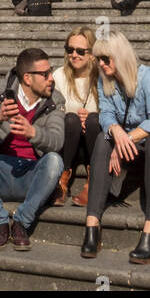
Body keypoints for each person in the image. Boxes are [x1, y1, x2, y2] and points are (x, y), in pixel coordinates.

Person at [81, 31, 150, 263]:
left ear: (119, 56)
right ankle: (92, 226)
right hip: (140, 150)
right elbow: (106, 115)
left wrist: (125, 139)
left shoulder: (146, 76)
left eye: (106, 59)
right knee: (104, 137)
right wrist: (116, 131)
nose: (101, 64)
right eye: (98, 59)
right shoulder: (105, 79)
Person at [0, 47, 65, 250]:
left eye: (51, 71)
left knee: (55, 161)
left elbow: (57, 140)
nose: (51, 78)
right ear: (28, 78)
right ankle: (0, 223)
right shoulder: (0, 89)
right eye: (45, 74)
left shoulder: (55, 99)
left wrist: (33, 133)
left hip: (32, 176)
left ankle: (21, 222)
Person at [55, 25, 102, 206]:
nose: (74, 55)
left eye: (81, 51)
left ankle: (94, 182)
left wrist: (94, 116)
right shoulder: (59, 76)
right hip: (68, 143)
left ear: (91, 54)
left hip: (94, 143)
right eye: (70, 49)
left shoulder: (101, 76)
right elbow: (51, 111)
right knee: (70, 119)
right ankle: (62, 179)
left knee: (93, 120)